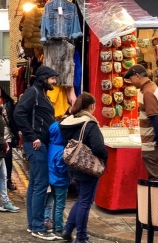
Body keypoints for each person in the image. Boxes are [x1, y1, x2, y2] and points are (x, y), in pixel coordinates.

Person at [13, 66, 58, 241]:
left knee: (34, 185)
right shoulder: (33, 92)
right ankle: (38, 227)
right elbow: (18, 113)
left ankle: (33, 224)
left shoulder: (41, 94)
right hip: (36, 144)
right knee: (41, 184)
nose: (54, 82)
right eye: (52, 79)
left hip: (39, 143)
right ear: (44, 78)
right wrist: (32, 136)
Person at [59, 92, 108, 243]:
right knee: (85, 202)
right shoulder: (89, 124)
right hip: (88, 167)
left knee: (81, 200)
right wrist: (105, 156)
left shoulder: (69, 121)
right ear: (92, 106)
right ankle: (81, 237)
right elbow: (99, 148)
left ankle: (68, 231)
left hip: (74, 165)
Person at [123, 64, 158, 179]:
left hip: (151, 146)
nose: (131, 82)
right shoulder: (152, 88)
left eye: (131, 79)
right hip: (152, 145)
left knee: (155, 181)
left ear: (137, 76)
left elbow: (155, 119)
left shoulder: (148, 93)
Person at [0, 83, 19, 191]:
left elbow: (13, 118)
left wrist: (17, 131)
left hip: (7, 134)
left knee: (8, 157)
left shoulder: (8, 102)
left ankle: (8, 180)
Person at [48, 121, 70, 238]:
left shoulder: (51, 145)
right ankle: (59, 228)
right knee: (60, 205)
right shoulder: (62, 149)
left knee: (55, 203)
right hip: (60, 180)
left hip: (52, 179)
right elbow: (62, 168)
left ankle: (55, 224)